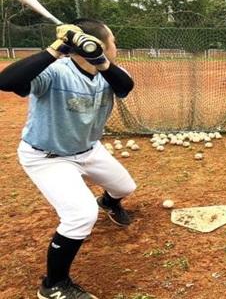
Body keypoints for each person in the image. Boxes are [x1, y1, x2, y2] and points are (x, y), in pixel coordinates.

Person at [0, 19, 136, 298]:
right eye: (113, 40)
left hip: (88, 149)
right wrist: (57, 48)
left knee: (125, 188)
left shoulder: (108, 72)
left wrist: (99, 60)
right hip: (48, 156)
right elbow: (6, 81)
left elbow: (126, 87)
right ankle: (54, 285)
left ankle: (108, 203)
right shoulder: (54, 72)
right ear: (99, 44)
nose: (116, 46)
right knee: (81, 215)